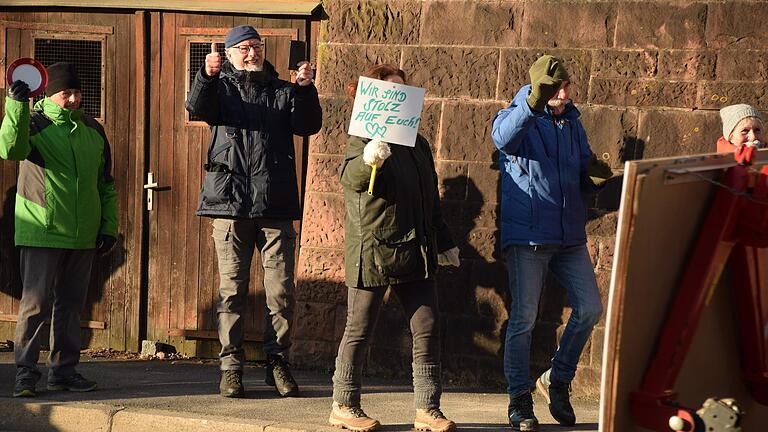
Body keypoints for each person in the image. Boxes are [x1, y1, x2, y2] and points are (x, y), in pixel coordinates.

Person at [185, 24, 322, 398]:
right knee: (231, 293)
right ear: (229, 54)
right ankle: (231, 367)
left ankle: (278, 363)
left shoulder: (282, 90)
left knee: (281, 293)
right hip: (230, 206)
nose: (251, 53)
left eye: (256, 46)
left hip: (275, 206)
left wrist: (306, 90)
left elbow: (308, 124)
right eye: (242, 48)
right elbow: (197, 107)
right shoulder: (221, 90)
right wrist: (206, 75)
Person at [328, 64, 460, 432]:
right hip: (374, 247)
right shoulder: (362, 135)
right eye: (391, 90)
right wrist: (371, 157)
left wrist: (444, 241)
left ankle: (428, 409)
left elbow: (429, 197)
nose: (398, 96)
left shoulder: (417, 143)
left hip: (415, 248)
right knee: (360, 326)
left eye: (403, 90)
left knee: (428, 325)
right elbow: (352, 178)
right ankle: (344, 403)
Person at [491, 55, 609, 431]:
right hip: (528, 236)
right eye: (554, 86)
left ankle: (557, 380)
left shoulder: (572, 122)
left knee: (590, 308)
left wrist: (594, 176)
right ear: (539, 86)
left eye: (566, 85)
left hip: (569, 236)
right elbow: (502, 138)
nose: (563, 92)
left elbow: (582, 164)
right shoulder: (515, 115)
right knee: (523, 319)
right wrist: (531, 103)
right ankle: (519, 399)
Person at [1, 62, 118, 397]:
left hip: (83, 235)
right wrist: (15, 105)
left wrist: (108, 226)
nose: (74, 99)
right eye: (66, 93)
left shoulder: (93, 130)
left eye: (77, 93)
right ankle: (25, 374)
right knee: (35, 305)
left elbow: (106, 184)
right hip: (42, 230)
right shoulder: (34, 123)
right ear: (50, 95)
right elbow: (10, 149)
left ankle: (64, 372)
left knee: (71, 306)